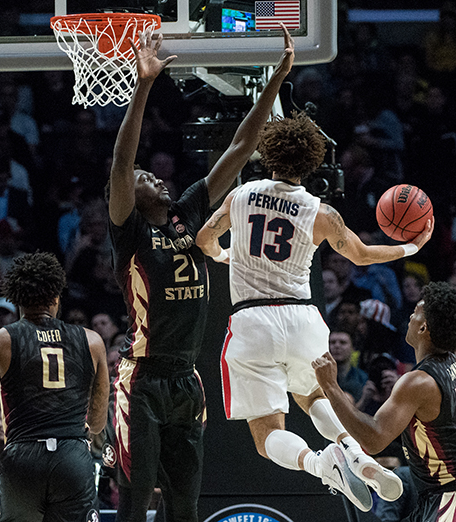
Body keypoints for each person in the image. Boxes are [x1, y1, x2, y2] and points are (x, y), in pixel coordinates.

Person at [195, 110, 434, 512]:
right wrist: (411, 248)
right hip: (304, 320)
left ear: (267, 155)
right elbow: (361, 255)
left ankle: (323, 465)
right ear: (312, 161)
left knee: (266, 435)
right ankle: (355, 454)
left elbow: (204, 239)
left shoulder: (239, 196)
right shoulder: (321, 212)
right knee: (314, 397)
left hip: (252, 320)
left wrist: (224, 255)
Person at [107, 24, 295, 522]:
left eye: (155, 174)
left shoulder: (185, 214)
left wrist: (275, 81)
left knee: (186, 504)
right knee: (135, 497)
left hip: (187, 378)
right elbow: (123, 162)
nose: (156, 178)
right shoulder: (128, 231)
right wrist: (143, 84)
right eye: (147, 179)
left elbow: (238, 149)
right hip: (143, 379)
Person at [0, 252, 110, 522]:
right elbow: (98, 423)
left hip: (23, 457)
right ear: (56, 297)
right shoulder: (92, 341)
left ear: (16, 300)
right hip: (72, 457)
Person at [313, 281, 456, 521]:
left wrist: (331, 386)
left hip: (447, 498)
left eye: (414, 314)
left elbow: (374, 438)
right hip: (434, 497)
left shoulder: (418, 382)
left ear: (423, 328)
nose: (409, 319)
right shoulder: (451, 363)